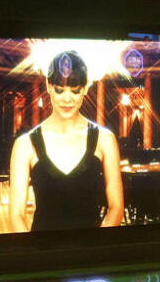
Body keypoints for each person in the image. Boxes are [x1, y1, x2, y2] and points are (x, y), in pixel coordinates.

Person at [8, 51, 123, 231]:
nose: (67, 99)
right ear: (48, 85)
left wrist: (96, 248)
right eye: (59, 90)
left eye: (75, 90)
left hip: (93, 251)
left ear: (85, 88)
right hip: (42, 251)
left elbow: (116, 208)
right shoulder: (24, 145)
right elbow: (17, 215)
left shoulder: (105, 139)